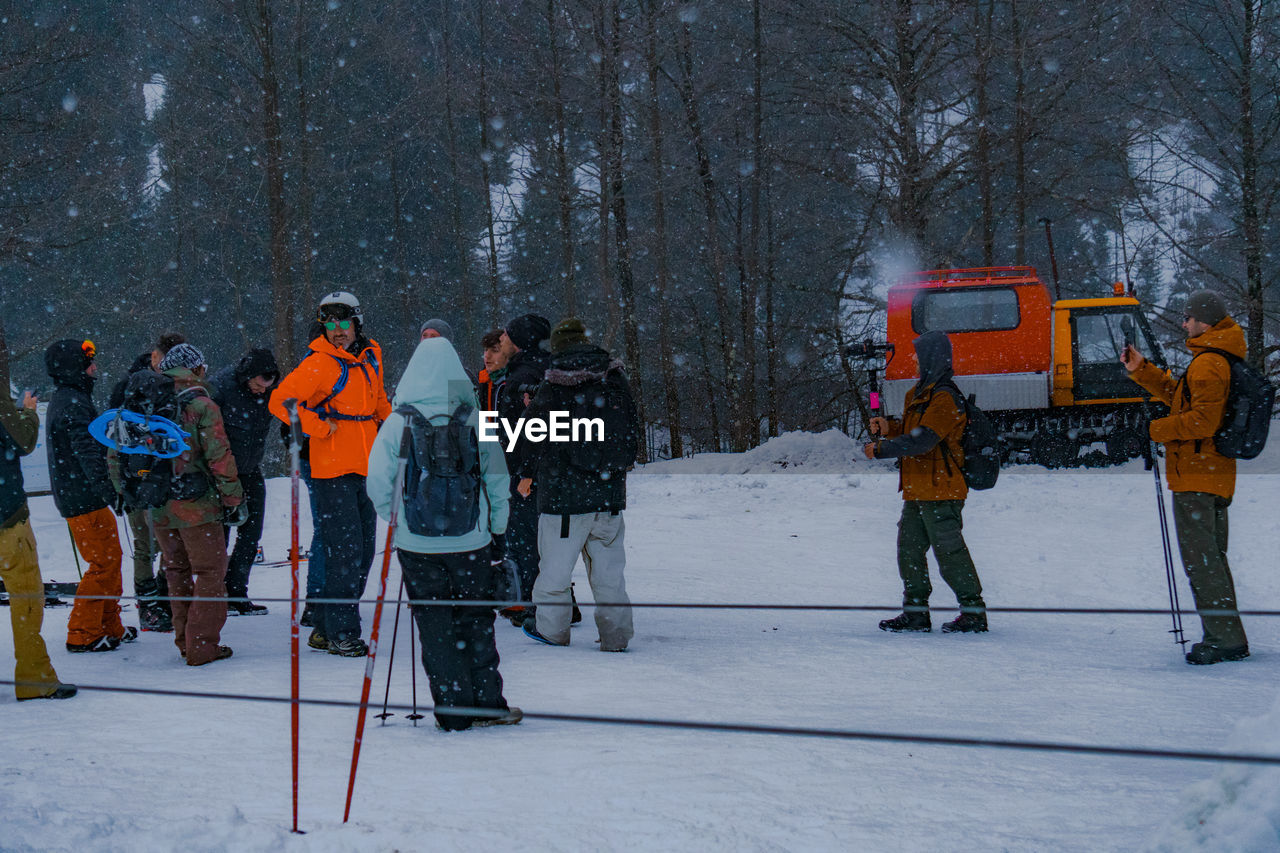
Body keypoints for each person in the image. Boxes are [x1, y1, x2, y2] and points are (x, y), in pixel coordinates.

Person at [366, 336, 521, 730]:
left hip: (417, 545)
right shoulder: (475, 418)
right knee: (476, 621)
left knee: (434, 625)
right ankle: (488, 704)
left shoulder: (398, 421)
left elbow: (378, 484)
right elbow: (497, 481)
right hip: (472, 541)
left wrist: (398, 520)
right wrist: (496, 530)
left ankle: (452, 711)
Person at [1122, 289, 1250, 665]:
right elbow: (1181, 397)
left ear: (1205, 321)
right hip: (1210, 473)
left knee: (1202, 561)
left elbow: (1203, 421)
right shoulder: (1214, 358)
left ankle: (1224, 640)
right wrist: (1141, 370)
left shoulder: (1210, 363)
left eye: (1189, 318)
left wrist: (1155, 430)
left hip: (1198, 475)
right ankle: (1227, 634)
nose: (1184, 323)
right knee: (1211, 559)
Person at [269, 291, 391, 657]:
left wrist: (393, 429)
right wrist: (318, 427)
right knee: (344, 553)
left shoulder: (372, 354)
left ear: (357, 322)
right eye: (330, 324)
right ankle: (341, 630)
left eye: (344, 323)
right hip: (330, 471)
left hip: (367, 468)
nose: (338, 331)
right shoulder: (319, 363)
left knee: (365, 550)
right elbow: (281, 401)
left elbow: (379, 398)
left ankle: (324, 627)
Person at [518, 317, 637, 652]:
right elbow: (632, 429)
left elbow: (531, 434)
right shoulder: (614, 378)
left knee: (554, 574)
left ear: (558, 347)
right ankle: (616, 637)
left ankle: (553, 631)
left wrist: (526, 474)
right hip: (609, 495)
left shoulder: (555, 383)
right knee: (609, 575)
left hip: (563, 499)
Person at [864, 330, 988, 634]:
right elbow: (911, 429)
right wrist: (889, 426)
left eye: (920, 358)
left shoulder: (945, 397)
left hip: (942, 490)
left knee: (950, 554)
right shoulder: (918, 393)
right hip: (917, 489)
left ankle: (973, 613)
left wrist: (882, 448)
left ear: (933, 359)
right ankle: (916, 613)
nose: (916, 363)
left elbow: (925, 440)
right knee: (908, 550)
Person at [146, 343, 244, 665]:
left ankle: (185, 641)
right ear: (199, 369)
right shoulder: (202, 405)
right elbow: (219, 457)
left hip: (159, 504)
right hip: (197, 505)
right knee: (210, 571)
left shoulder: (149, 401)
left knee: (176, 570)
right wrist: (233, 498)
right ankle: (202, 645)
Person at [45, 338, 136, 653]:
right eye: (88, 364)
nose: (95, 370)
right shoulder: (72, 404)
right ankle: (82, 633)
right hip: (83, 498)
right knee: (102, 564)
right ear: (74, 369)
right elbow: (87, 455)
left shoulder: (70, 399)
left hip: (83, 497)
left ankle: (109, 625)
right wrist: (110, 492)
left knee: (111, 561)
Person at [0, 387, 76, 699]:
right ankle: (34, 676)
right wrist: (28, 411)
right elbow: (22, 441)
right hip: (7, 518)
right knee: (26, 596)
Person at [108, 332, 186, 633]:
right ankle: (149, 604)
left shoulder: (162, 388)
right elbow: (112, 440)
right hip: (139, 476)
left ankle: (159, 600)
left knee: (163, 543)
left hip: (157, 477)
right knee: (147, 543)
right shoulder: (134, 388)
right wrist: (119, 485)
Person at [210, 347, 279, 615]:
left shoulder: (271, 388)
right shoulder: (221, 387)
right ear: (247, 375)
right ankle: (215, 593)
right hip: (222, 472)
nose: (263, 391)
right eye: (258, 385)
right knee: (221, 534)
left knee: (252, 532)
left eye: (268, 386)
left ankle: (237, 591)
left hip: (251, 468)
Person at [495, 314, 551, 627]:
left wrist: (521, 469)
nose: (501, 339)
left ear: (519, 341)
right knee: (545, 540)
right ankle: (556, 600)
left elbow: (522, 431)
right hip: (547, 472)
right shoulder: (549, 369)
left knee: (525, 539)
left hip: (526, 474)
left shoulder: (521, 377)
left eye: (506, 335)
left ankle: (532, 604)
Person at [476, 329, 507, 412]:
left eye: (494, 350)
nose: (487, 356)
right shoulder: (479, 381)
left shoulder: (516, 381)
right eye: (486, 350)